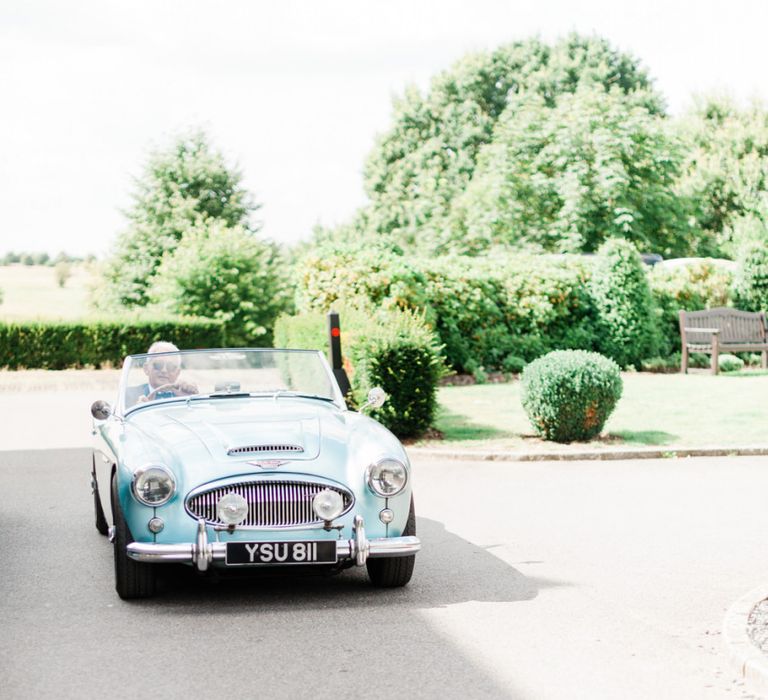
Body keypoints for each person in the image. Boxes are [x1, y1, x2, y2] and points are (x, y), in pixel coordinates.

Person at [125, 341, 198, 406]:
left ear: (177, 372)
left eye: (171, 367)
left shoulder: (186, 394)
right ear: (146, 369)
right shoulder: (129, 395)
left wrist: (191, 401)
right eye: (158, 365)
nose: (164, 370)